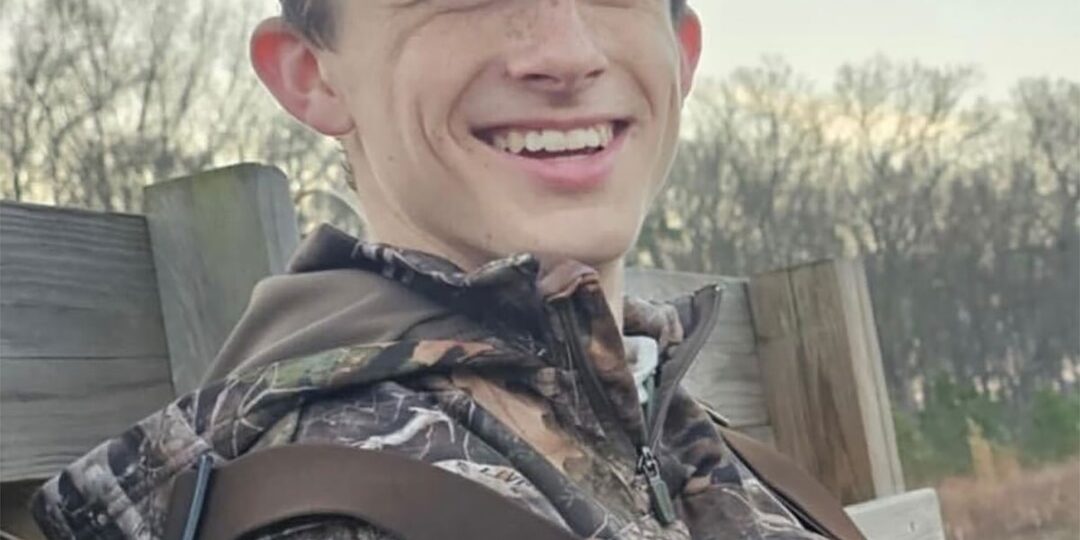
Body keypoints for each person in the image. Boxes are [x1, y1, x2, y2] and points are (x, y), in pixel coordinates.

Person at [32, 1, 863, 538]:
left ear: (681, 53)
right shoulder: (333, 508)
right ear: (312, 74)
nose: (566, 53)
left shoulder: (713, 448)